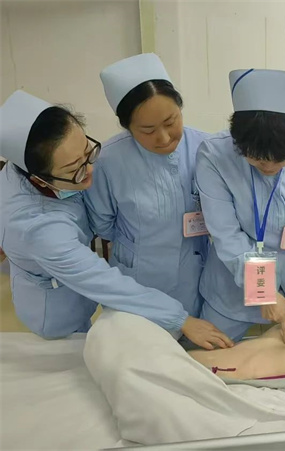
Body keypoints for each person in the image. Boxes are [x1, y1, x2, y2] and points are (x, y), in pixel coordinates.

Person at [0, 90, 231, 349]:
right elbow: (100, 280)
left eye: (87, 152)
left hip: (87, 280)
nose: (90, 170)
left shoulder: (26, 163)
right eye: (75, 169)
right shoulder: (39, 229)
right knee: (69, 349)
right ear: (40, 180)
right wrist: (181, 320)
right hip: (55, 307)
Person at [196, 69, 285, 346]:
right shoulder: (214, 154)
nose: (269, 167)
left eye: (281, 159)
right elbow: (226, 233)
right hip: (233, 286)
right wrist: (262, 289)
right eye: (257, 160)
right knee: (210, 357)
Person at [83, 53, 223, 347]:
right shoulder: (109, 161)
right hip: (138, 278)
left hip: (195, 275)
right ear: (127, 127)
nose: (163, 138)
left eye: (171, 122)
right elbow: (103, 223)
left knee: (193, 353)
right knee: (137, 350)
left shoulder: (207, 149)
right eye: (147, 130)